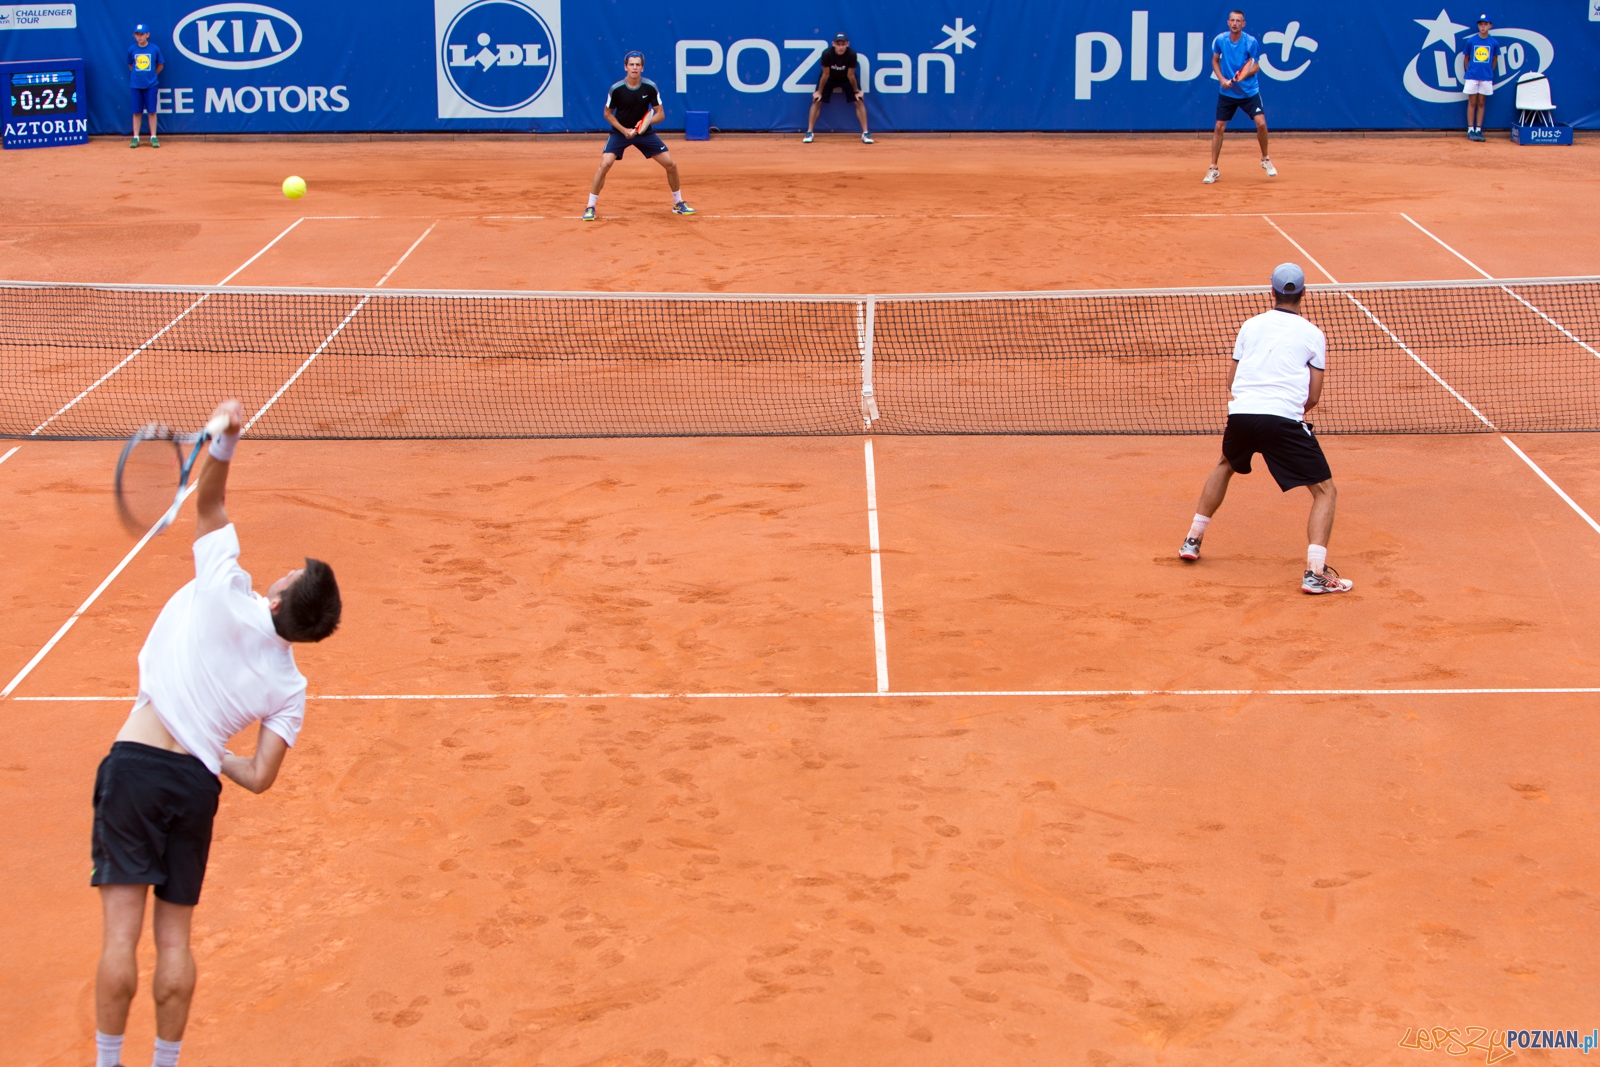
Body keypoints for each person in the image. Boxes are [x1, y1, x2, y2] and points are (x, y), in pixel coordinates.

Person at [90, 398, 341, 1067]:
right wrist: (218, 755)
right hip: (193, 786)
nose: (283, 570)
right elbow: (259, 776)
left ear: (283, 598)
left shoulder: (224, 582)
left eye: (292, 574)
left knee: (122, 936)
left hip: (136, 764)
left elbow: (210, 501)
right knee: (176, 942)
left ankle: (107, 1061)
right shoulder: (290, 688)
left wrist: (226, 438)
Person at [1178, 264, 1353, 595]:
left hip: (1242, 414)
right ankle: (1315, 573)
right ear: (1303, 293)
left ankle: (1192, 540)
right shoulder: (1314, 334)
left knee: (1225, 465)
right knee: (1325, 491)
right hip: (1283, 420)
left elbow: (1232, 381)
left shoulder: (1250, 326)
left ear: (1272, 291)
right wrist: (1285, 414)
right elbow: (1313, 396)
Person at [584, 51, 694, 221]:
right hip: (620, 132)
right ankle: (590, 206)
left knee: (671, 164)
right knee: (605, 164)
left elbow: (660, 114)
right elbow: (607, 114)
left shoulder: (650, 87)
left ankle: (677, 202)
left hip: (644, 133)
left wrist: (643, 126)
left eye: (637, 64)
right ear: (625, 67)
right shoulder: (616, 89)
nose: (634, 67)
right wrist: (624, 130)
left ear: (642, 68)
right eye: (631, 64)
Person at [1204, 10, 1274, 184]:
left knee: (1262, 124)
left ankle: (1265, 158)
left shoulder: (1251, 42)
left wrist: (1242, 75)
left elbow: (1256, 67)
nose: (1235, 23)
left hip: (1249, 92)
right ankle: (1213, 168)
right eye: (1232, 20)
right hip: (1227, 93)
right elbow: (1214, 61)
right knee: (1219, 127)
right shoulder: (1220, 40)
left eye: (1239, 21)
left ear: (1244, 24)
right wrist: (1222, 79)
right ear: (1228, 22)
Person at [804, 33, 872, 144]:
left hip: (846, 78)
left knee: (859, 101)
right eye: (838, 44)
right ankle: (809, 132)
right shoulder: (827, 54)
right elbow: (825, 74)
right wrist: (819, 92)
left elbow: (851, 75)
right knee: (817, 100)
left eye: (843, 44)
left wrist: (856, 91)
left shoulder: (851, 54)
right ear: (833, 44)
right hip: (829, 78)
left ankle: (865, 133)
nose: (841, 47)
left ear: (847, 44)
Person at [1463, 15, 1504, 141]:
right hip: (1472, 77)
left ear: (1490, 26)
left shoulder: (1494, 43)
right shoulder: (1471, 41)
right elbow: (1466, 58)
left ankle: (1478, 130)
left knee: (1481, 102)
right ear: (1478, 26)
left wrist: (1487, 72)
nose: (1483, 27)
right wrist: (1470, 72)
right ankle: (1470, 130)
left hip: (1486, 78)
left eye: (1485, 24)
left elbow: (1494, 60)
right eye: (1481, 24)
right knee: (1472, 102)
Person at [128, 24, 163, 148]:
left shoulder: (154, 49)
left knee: (152, 111)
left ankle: (153, 137)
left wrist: (152, 76)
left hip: (151, 85)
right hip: (136, 85)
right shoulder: (132, 49)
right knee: (136, 112)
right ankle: (136, 138)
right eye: (137, 34)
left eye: (142, 34)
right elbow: (130, 66)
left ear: (147, 35)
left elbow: (160, 65)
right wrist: (138, 76)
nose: (139, 37)